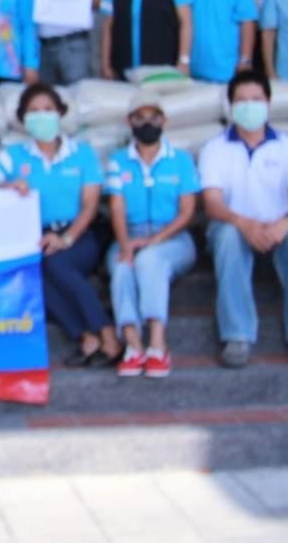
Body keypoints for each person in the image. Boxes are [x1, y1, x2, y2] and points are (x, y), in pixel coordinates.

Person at [0, 84, 120, 368]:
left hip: (78, 234)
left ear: (60, 113)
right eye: (34, 111)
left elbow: (90, 206)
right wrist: (6, 187)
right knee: (32, 274)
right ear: (23, 119)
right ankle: (87, 337)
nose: (41, 116)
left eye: (47, 109)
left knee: (54, 262)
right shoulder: (12, 156)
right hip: (32, 235)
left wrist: (66, 239)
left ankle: (107, 334)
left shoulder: (82, 154)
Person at [199, 70, 288, 369]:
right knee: (229, 237)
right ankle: (237, 335)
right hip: (232, 225)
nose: (249, 106)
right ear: (230, 106)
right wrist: (244, 224)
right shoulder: (214, 148)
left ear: (268, 103)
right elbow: (212, 204)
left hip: (279, 225)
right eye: (241, 101)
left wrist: (285, 223)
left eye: (256, 99)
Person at [104, 92, 200, 378]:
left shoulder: (181, 160)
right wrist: (125, 245)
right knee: (123, 267)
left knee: (149, 260)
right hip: (129, 234)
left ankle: (157, 343)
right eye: (140, 118)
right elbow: (116, 206)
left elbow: (187, 212)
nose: (147, 124)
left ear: (164, 121)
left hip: (172, 238)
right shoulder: (118, 161)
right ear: (129, 122)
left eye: (154, 117)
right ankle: (133, 344)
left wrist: (153, 242)